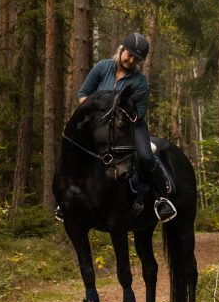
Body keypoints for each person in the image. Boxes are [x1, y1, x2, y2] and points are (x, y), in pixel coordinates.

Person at [56, 32, 177, 223]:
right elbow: (83, 94)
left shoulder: (140, 82)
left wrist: (119, 118)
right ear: (121, 49)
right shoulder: (102, 67)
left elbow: (139, 113)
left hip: (130, 126)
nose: (131, 60)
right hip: (99, 124)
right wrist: (95, 117)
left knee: (145, 156)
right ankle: (65, 201)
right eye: (129, 55)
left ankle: (162, 199)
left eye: (136, 59)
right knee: (75, 150)